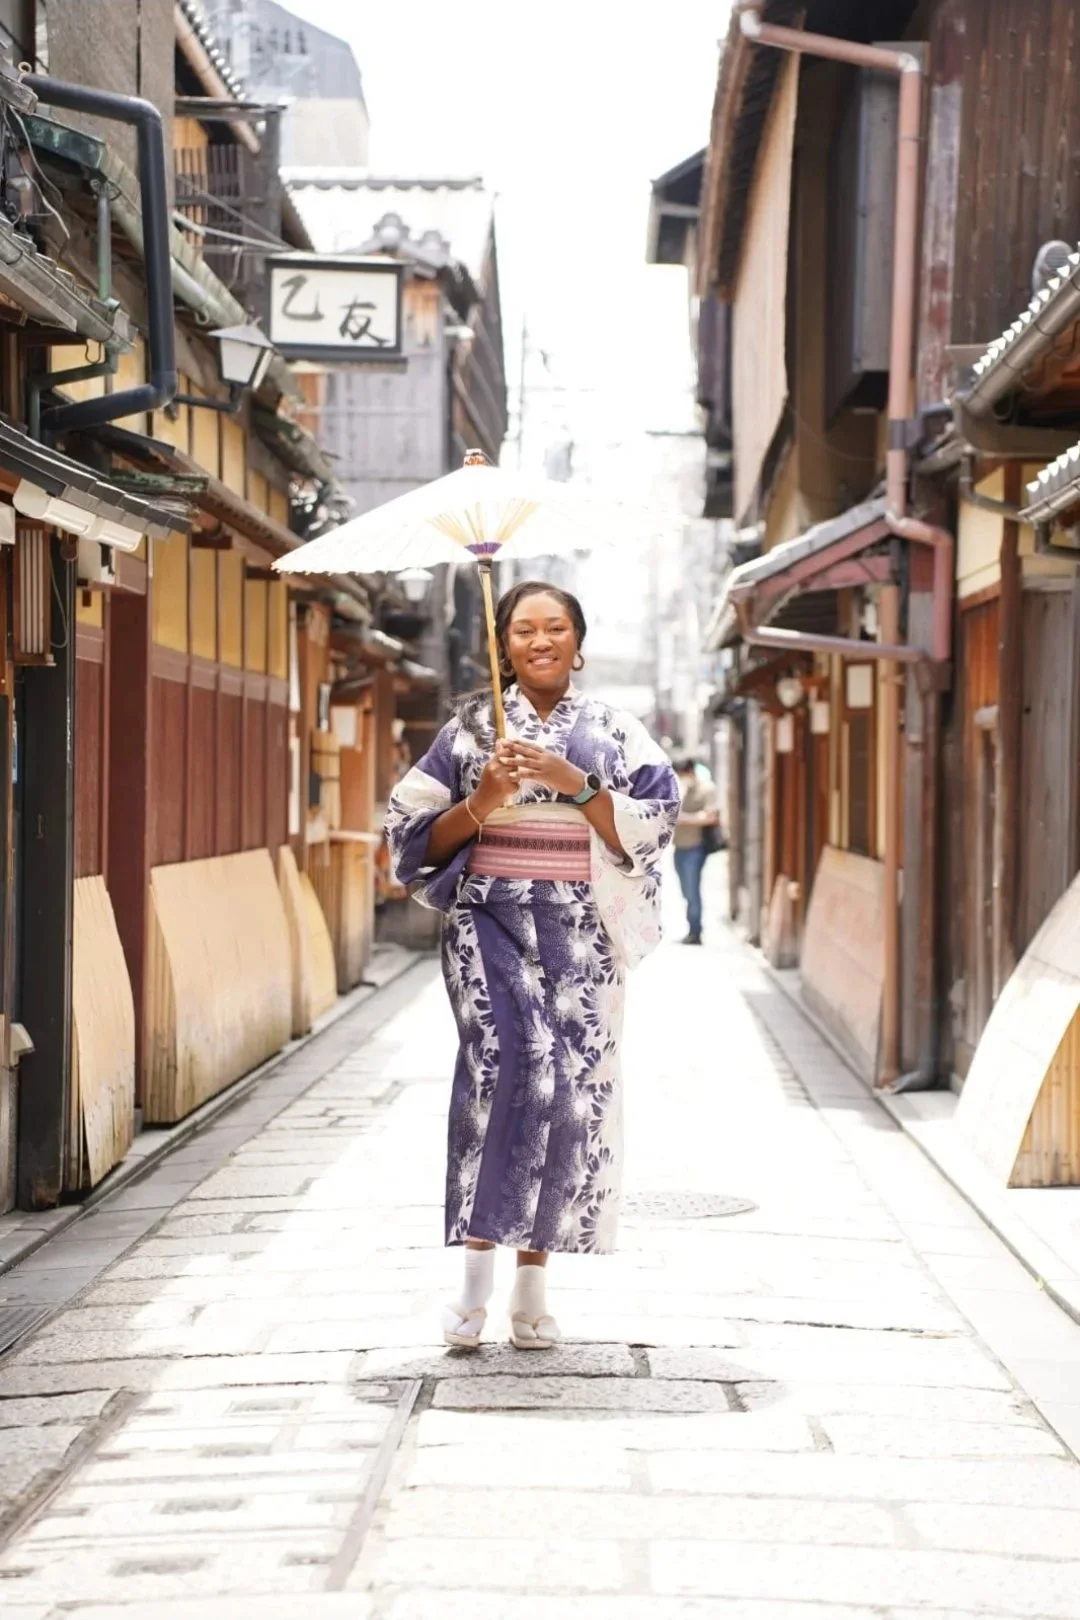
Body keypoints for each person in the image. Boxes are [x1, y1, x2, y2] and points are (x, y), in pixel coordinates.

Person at [385, 580, 679, 1351]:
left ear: (577, 643)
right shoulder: (469, 732)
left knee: (570, 1090)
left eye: (555, 628)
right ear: (506, 646)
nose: (540, 641)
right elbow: (410, 835)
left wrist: (573, 781)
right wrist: (482, 798)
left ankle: (532, 1290)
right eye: (523, 630)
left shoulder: (617, 731)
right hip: (490, 919)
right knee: (510, 1065)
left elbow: (654, 823)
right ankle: (473, 1282)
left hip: (582, 928)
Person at [672, 757, 718, 945]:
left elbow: (711, 816)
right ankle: (692, 928)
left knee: (692, 890)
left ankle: (695, 931)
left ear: (690, 771)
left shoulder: (707, 789)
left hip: (695, 847)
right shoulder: (684, 790)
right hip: (680, 847)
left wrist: (684, 819)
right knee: (685, 890)